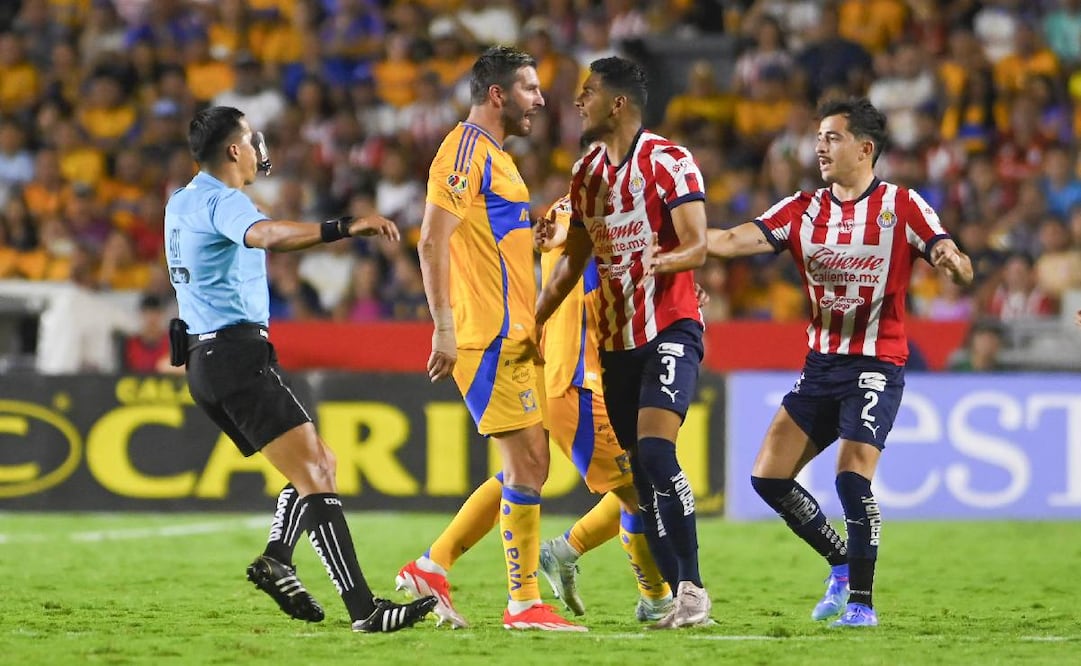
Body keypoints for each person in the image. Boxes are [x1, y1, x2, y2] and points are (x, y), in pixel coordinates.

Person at [164, 106, 435, 633]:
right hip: (235, 355)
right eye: (249, 137)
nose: (258, 146)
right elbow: (266, 236)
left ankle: (279, 558)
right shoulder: (224, 200)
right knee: (316, 473)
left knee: (317, 463)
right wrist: (343, 226)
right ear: (233, 151)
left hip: (205, 358)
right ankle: (364, 610)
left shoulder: (181, 201)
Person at [706, 97, 974, 627]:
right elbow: (734, 240)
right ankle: (841, 563)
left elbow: (955, 257)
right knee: (768, 478)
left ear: (865, 148)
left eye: (832, 137)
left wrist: (953, 261)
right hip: (821, 367)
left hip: (877, 363)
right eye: (819, 137)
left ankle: (862, 604)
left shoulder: (902, 205)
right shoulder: (802, 209)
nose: (820, 147)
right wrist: (672, 238)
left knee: (851, 476)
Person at [396, 193, 673, 629]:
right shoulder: (591, 210)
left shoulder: (590, 210)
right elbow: (568, 239)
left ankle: (433, 564)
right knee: (642, 491)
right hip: (578, 381)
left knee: (518, 473)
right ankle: (653, 598)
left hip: (569, 371)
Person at [534, 56, 712, 629]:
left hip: (670, 325)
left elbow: (697, 244)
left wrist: (657, 262)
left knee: (658, 456)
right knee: (642, 472)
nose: (577, 102)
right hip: (616, 345)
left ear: (618, 104)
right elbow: (572, 266)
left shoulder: (670, 162)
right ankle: (673, 601)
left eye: (587, 93)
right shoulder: (586, 174)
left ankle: (691, 590)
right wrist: (534, 322)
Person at [413, 46, 581, 631]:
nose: (540, 99)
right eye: (531, 88)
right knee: (530, 464)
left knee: (527, 466)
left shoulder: (499, 158)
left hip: (516, 333)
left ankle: (432, 567)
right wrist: (443, 326)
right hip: (485, 335)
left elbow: (490, 238)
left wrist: (536, 239)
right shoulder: (463, 151)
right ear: (497, 94)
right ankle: (522, 603)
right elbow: (432, 240)